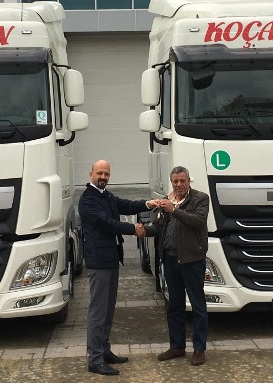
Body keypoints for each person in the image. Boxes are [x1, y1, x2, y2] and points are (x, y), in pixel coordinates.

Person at [79, 159, 159, 376]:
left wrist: (148, 203)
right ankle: (95, 359)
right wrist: (134, 229)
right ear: (91, 174)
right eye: (99, 173)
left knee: (108, 310)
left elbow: (126, 205)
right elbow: (107, 223)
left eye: (106, 174)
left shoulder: (106, 196)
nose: (103, 177)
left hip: (111, 259)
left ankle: (104, 351)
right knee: (98, 312)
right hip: (99, 262)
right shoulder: (88, 200)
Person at [145, 166, 210, 366]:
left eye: (182, 181)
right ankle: (177, 347)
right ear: (171, 182)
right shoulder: (167, 199)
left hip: (191, 260)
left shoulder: (200, 199)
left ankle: (199, 349)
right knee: (174, 305)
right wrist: (142, 230)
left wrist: (173, 210)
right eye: (175, 181)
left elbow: (198, 221)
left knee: (197, 306)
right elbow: (158, 227)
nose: (179, 184)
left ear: (189, 181)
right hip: (171, 260)